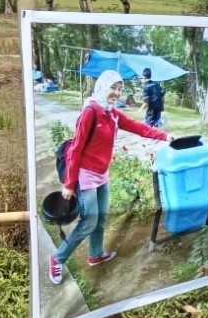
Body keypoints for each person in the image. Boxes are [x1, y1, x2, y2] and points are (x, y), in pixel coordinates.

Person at [50, 70, 170, 285]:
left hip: (101, 173)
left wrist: (165, 136)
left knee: (102, 215)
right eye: (113, 87)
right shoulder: (90, 111)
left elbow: (137, 127)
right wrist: (69, 184)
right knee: (89, 221)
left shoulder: (113, 113)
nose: (116, 92)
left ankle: (95, 254)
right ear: (103, 86)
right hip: (85, 174)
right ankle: (57, 258)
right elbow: (76, 148)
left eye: (119, 88)